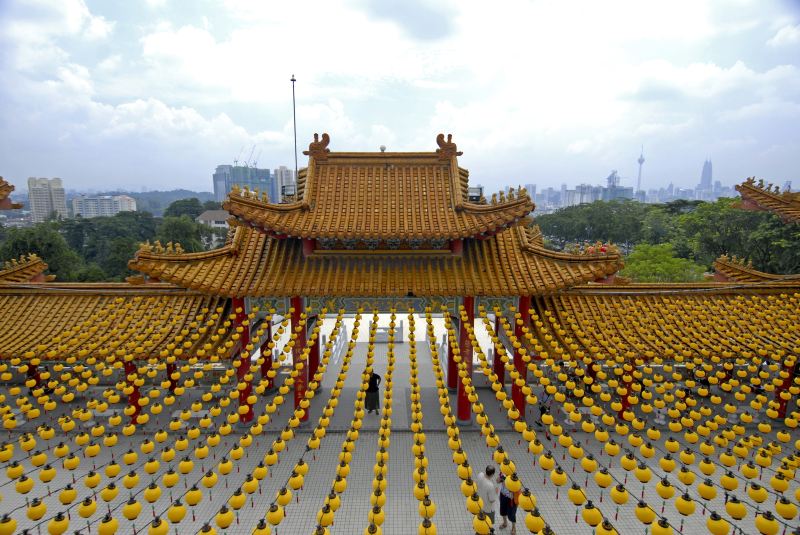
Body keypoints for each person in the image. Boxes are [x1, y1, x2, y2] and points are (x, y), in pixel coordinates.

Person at [476, 466, 498, 534]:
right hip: (488, 509)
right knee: (488, 523)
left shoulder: (480, 475)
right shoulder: (490, 486)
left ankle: (478, 531)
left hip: (479, 504)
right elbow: (492, 500)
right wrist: (496, 493)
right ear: (492, 474)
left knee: (480, 521)